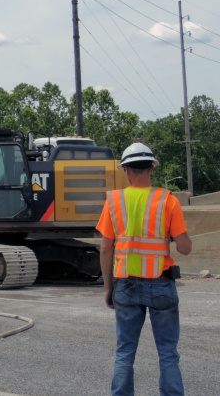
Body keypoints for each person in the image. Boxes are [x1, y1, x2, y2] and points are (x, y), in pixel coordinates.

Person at [96, 142, 192, 396]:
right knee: (168, 353)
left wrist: (108, 288)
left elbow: (105, 249)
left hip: (125, 284)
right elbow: (185, 248)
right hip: (161, 284)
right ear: (151, 168)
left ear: (126, 170)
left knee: (125, 352)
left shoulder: (114, 201)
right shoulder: (167, 200)